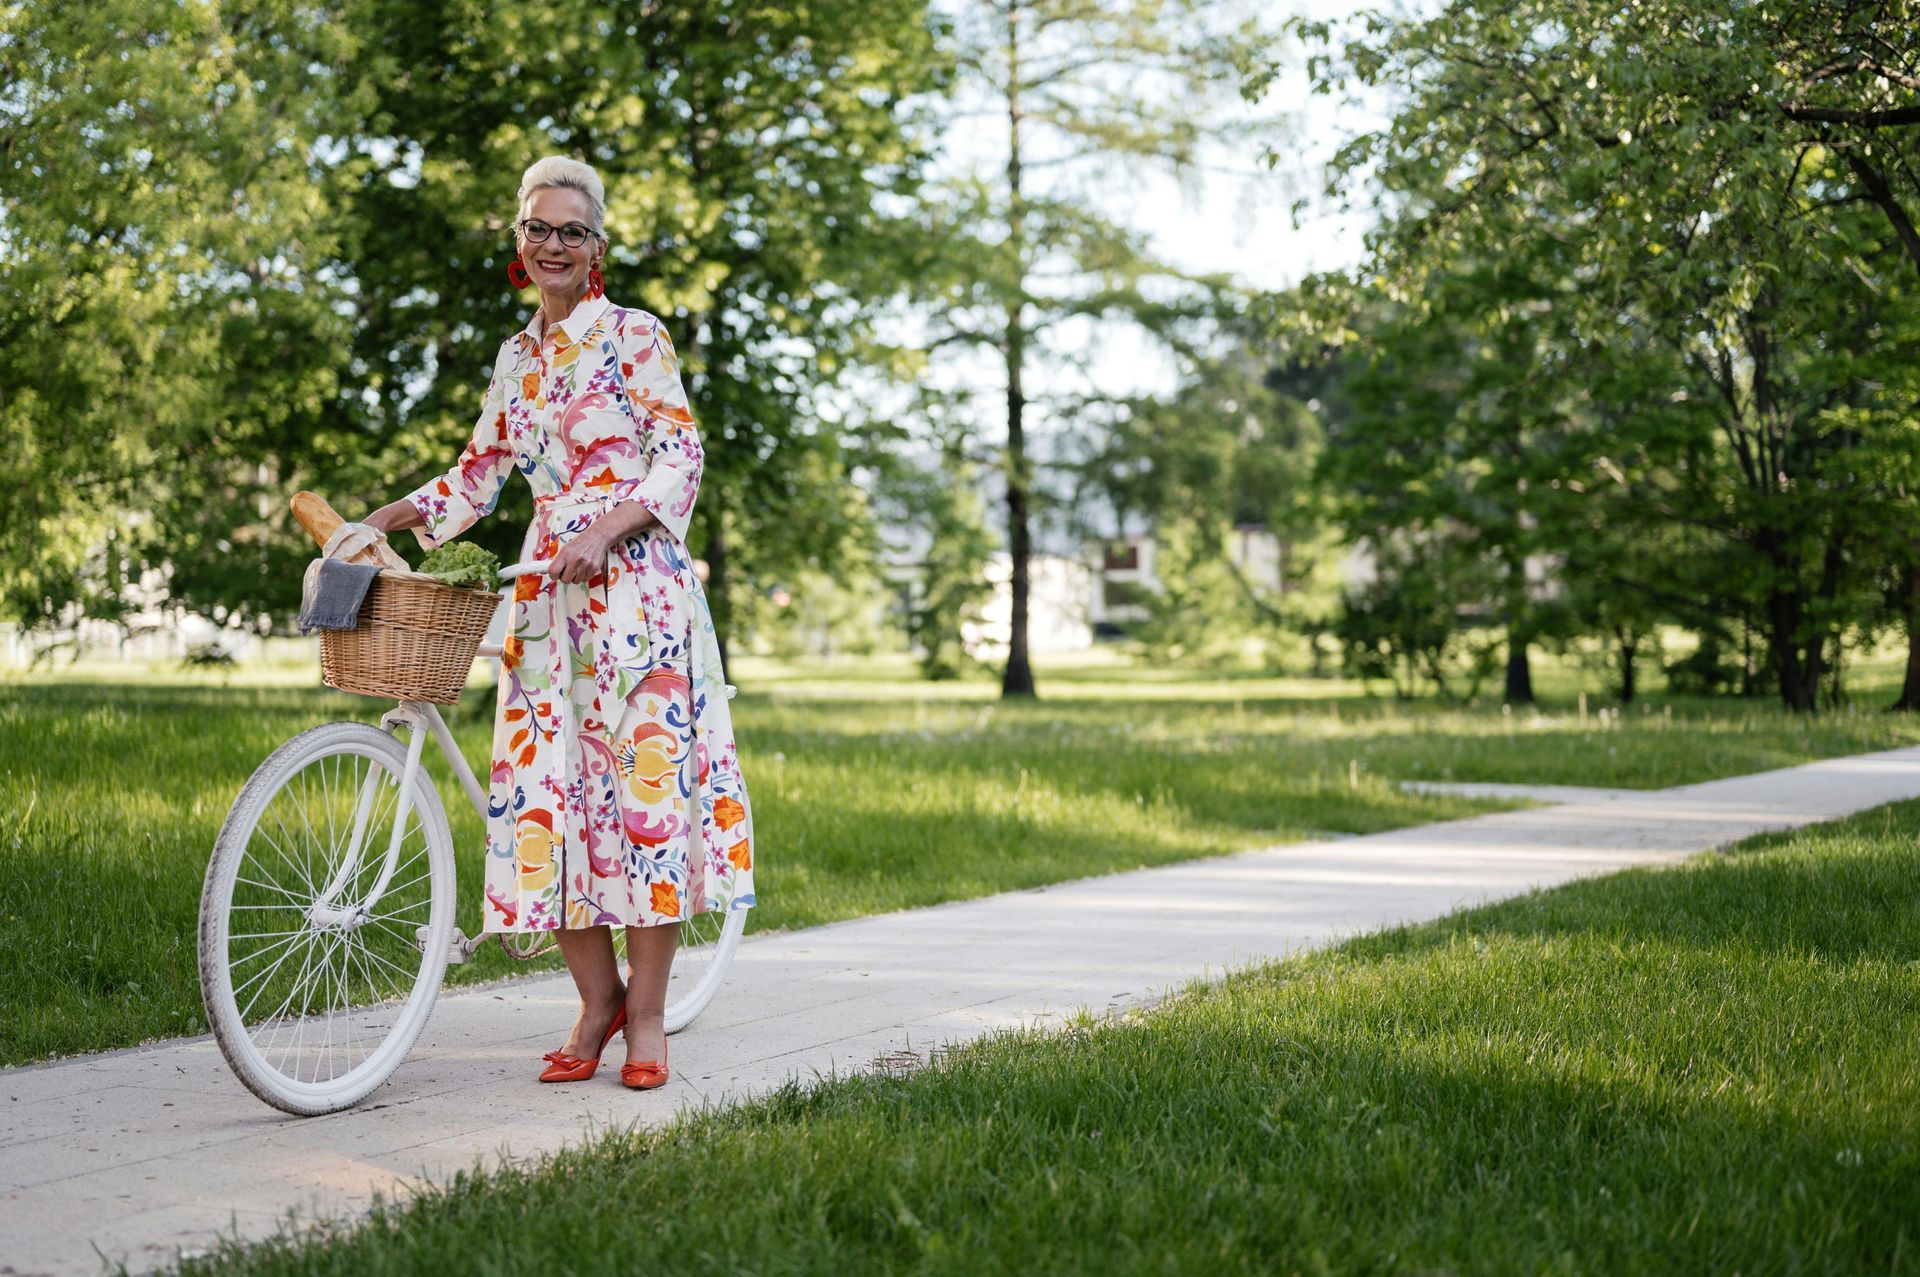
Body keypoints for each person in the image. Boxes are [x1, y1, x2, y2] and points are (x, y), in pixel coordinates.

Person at [361, 156, 756, 1090]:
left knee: (641, 800)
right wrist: (380, 521)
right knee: (551, 800)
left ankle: (648, 1017)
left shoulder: (634, 336)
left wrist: (607, 528)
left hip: (636, 593)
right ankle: (596, 999)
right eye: (538, 227)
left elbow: (681, 454)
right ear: (517, 241)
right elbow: (474, 478)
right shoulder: (516, 359)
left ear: (598, 248)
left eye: (571, 230)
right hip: (545, 604)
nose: (552, 244)